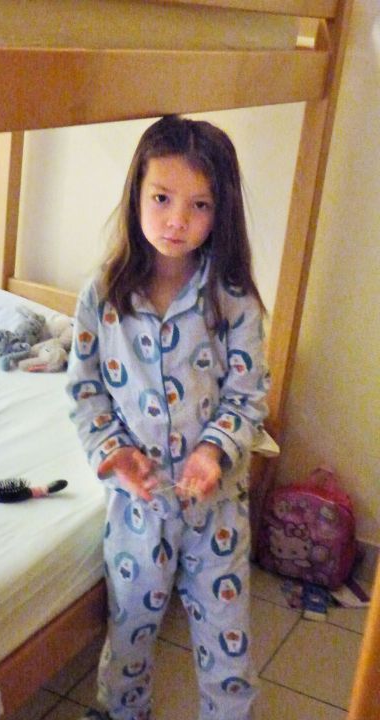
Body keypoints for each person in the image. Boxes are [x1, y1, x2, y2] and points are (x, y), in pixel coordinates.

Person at [67, 115, 271, 720]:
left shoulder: (232, 299)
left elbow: (247, 395)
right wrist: (113, 452)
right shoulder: (102, 295)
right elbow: (86, 391)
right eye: (161, 198)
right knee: (128, 636)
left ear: (219, 211)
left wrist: (213, 452)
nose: (177, 220)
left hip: (217, 505)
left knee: (227, 646)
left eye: (198, 205)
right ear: (137, 195)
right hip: (140, 501)